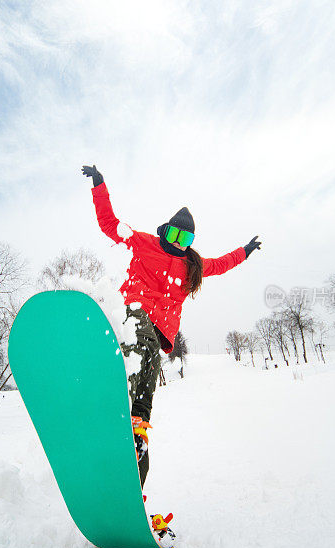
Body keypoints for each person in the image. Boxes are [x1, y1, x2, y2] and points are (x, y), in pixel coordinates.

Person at [82, 164, 261, 489]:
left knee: (148, 381)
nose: (180, 243)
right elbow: (109, 224)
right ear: (165, 231)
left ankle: (137, 438)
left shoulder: (192, 264)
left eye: (187, 238)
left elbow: (221, 264)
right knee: (143, 340)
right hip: (131, 314)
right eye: (176, 235)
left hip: (159, 334)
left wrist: (245, 252)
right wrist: (99, 184)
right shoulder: (143, 242)